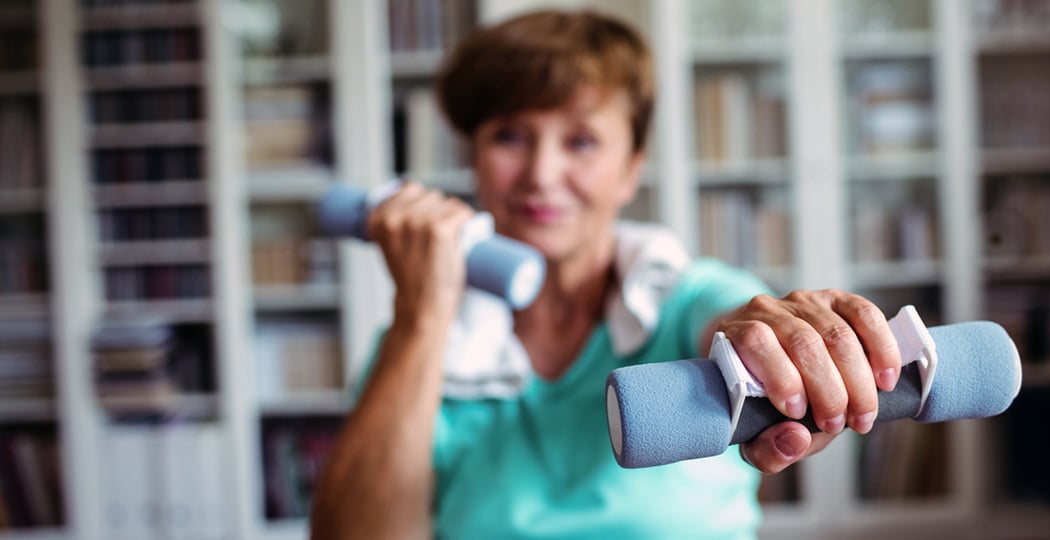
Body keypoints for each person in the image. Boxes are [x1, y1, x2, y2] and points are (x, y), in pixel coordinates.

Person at [310, 9, 900, 540]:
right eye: (510, 136)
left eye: (582, 141)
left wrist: (776, 341)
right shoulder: (418, 346)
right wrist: (421, 317)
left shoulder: (685, 299)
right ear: (475, 158)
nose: (541, 174)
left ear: (630, 169)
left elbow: (736, 321)